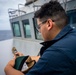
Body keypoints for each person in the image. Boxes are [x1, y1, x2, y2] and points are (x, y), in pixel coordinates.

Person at [4, 1, 76, 75]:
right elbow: (46, 59)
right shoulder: (72, 34)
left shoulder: (55, 53)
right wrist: (25, 58)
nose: (39, 31)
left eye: (39, 27)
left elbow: (51, 57)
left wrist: (8, 67)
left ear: (49, 24)